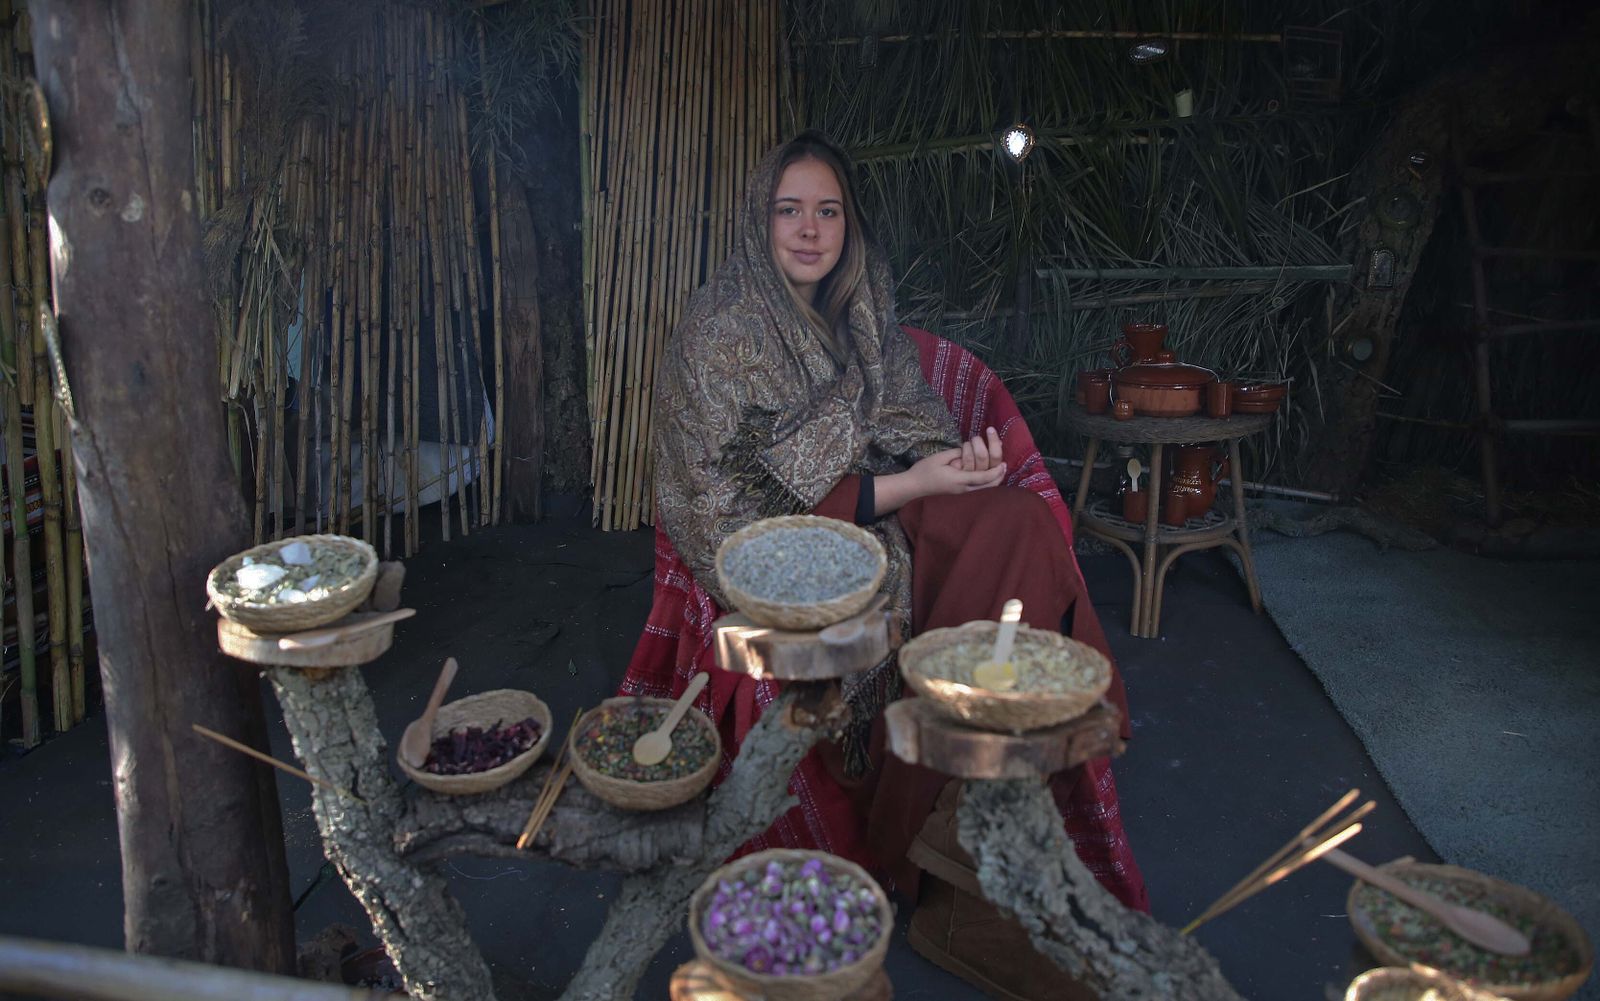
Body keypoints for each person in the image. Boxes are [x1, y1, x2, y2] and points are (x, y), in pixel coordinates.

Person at [625, 131, 1146, 998]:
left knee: (1013, 524)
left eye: (828, 211)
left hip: (884, 514)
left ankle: (979, 783)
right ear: (760, 221)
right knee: (958, 534)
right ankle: (925, 841)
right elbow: (720, 512)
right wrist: (912, 484)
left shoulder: (862, 312)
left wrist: (956, 471)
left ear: (849, 226)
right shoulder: (715, 337)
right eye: (789, 209)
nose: (809, 229)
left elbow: (915, 426)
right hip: (782, 553)